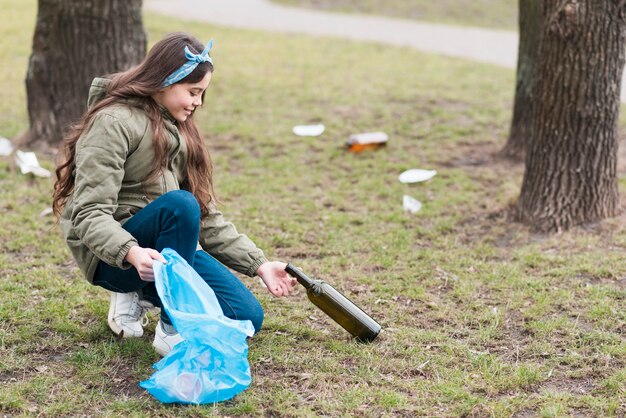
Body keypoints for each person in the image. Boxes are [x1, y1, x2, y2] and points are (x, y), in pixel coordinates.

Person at [52, 32, 297, 356]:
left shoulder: (180, 129)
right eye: (193, 92)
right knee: (180, 206)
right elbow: (89, 213)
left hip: (164, 250)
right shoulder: (113, 122)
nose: (197, 102)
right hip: (112, 259)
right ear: (166, 81)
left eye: (202, 94)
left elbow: (206, 217)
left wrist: (258, 264)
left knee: (245, 317)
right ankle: (171, 327)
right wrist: (130, 252)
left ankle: (143, 294)